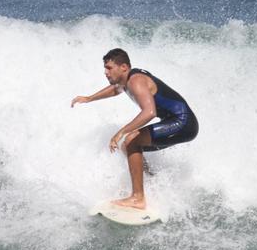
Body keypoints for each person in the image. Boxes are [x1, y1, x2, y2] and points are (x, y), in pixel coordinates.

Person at [71, 48, 199, 209]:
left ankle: (138, 198)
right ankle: (151, 181)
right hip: (177, 122)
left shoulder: (136, 80)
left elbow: (149, 112)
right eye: (105, 68)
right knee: (130, 145)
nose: (105, 72)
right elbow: (115, 89)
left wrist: (120, 132)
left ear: (124, 67)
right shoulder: (126, 82)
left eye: (109, 68)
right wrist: (89, 98)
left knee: (131, 140)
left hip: (183, 123)